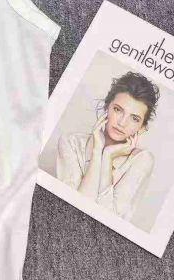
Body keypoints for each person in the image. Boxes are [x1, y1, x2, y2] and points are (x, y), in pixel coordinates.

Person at [56, 71, 159, 222]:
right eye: (118, 110)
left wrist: (108, 157)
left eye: (134, 118)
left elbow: (109, 219)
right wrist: (97, 152)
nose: (122, 123)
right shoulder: (71, 143)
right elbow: (74, 209)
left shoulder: (142, 160)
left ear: (142, 128)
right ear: (106, 107)